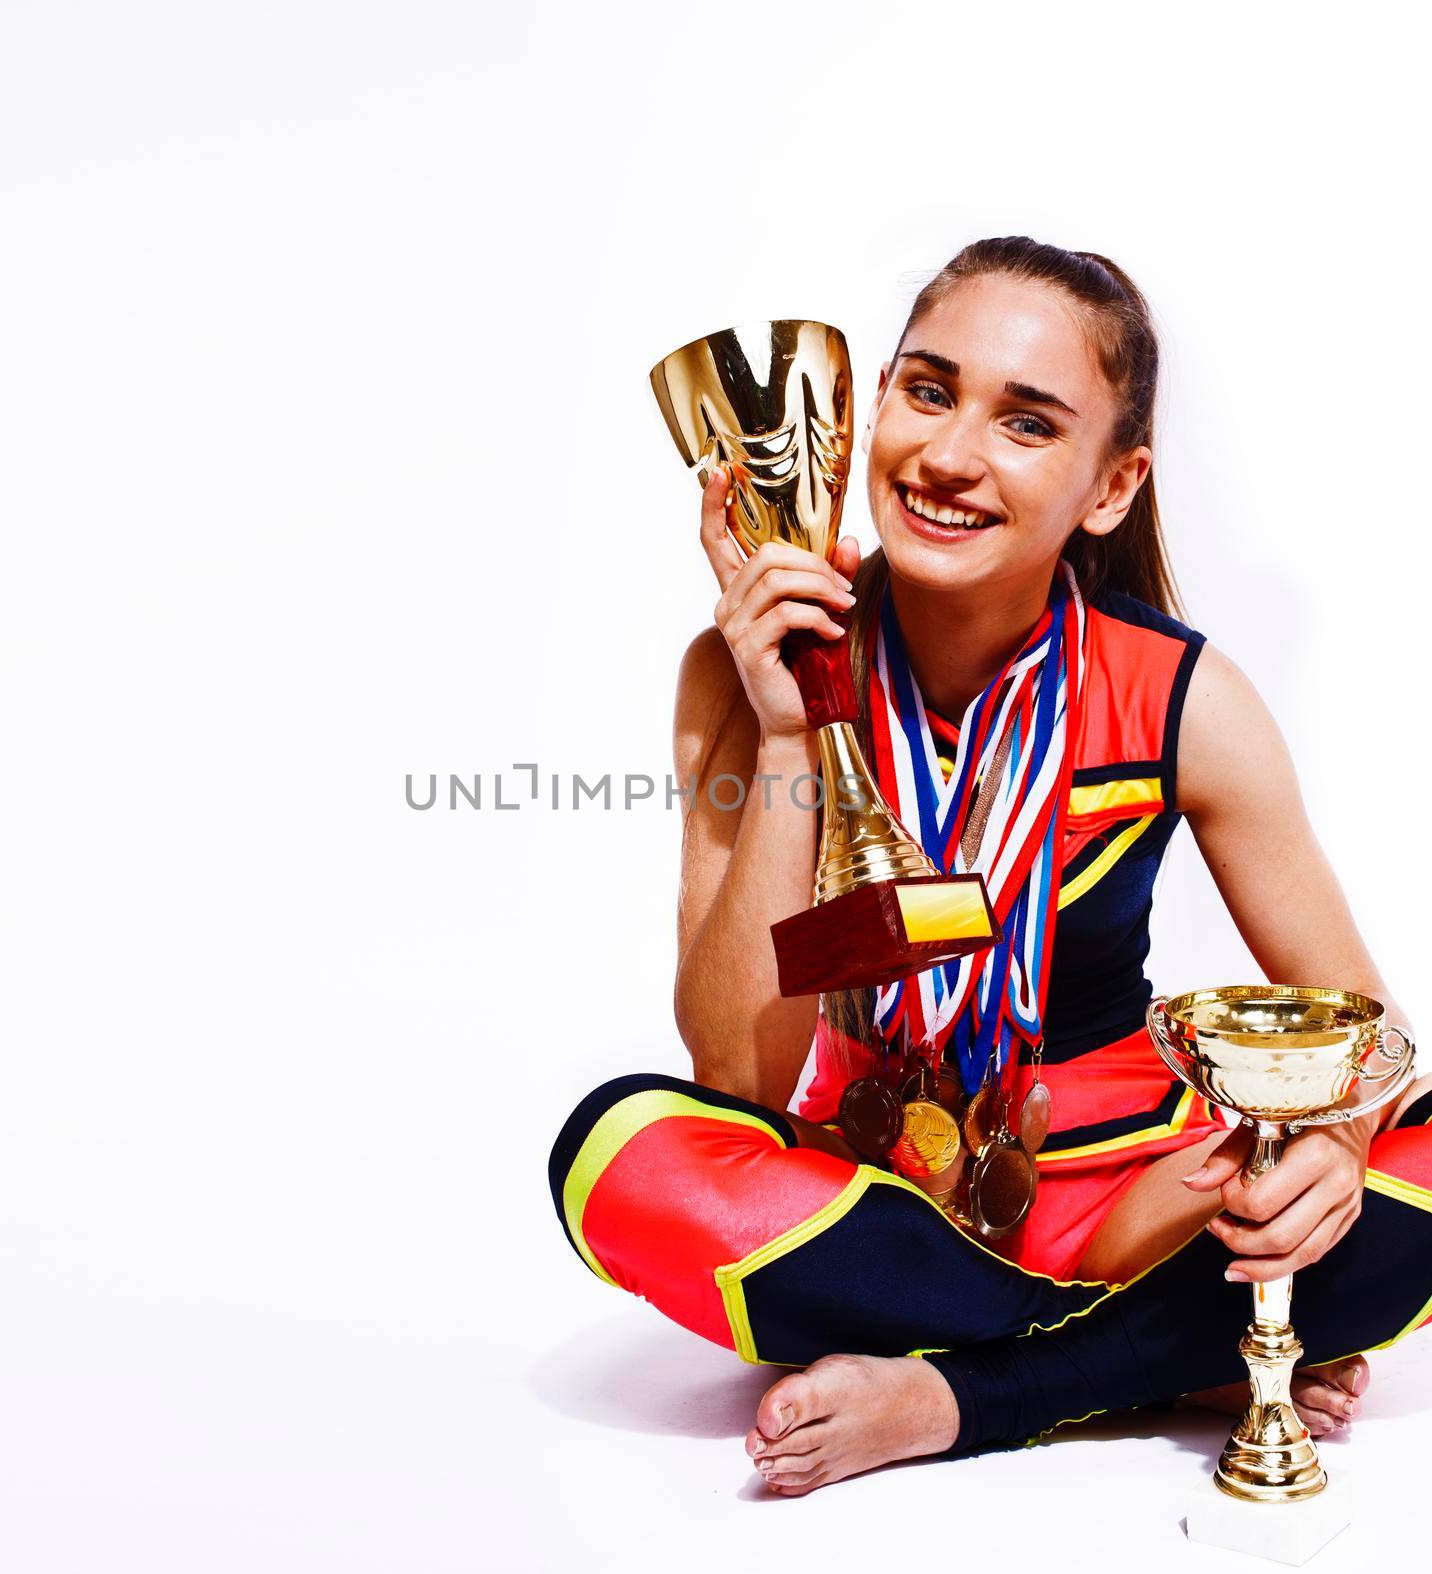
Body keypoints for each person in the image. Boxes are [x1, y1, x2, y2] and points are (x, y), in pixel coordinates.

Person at [547, 237, 1432, 1496]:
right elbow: (735, 1073)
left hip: (1145, 1203)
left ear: (1111, 484)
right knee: (619, 1151)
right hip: (874, 1198)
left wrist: (1331, 1159)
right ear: (867, 408)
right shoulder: (741, 676)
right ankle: (1173, 1351)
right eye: (926, 389)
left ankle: (958, 1389)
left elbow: (1369, 1043)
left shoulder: (1182, 698)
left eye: (1025, 422)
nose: (951, 455)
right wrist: (799, 721)